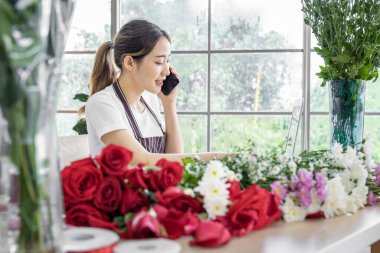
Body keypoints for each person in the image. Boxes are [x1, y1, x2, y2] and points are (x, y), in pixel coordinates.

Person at [85, 19, 226, 165]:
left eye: (167, 61)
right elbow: (141, 160)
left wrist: (169, 103)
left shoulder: (150, 100)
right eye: (159, 62)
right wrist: (215, 157)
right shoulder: (102, 103)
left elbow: (175, 161)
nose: (166, 71)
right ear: (130, 63)